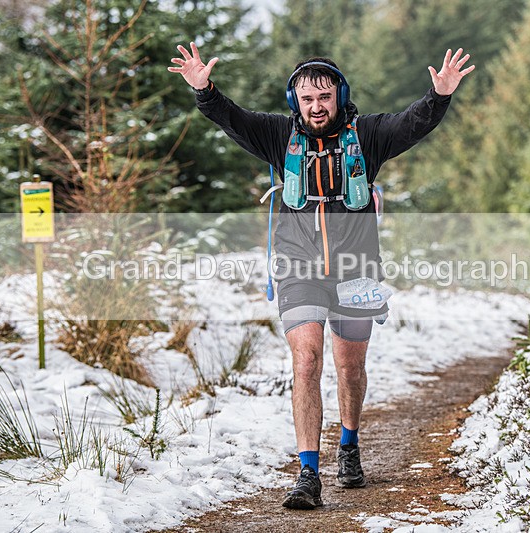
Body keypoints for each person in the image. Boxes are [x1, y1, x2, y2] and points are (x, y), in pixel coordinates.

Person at [168, 42, 474, 510]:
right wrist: (204, 91)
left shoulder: (366, 136)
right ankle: (308, 472)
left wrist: (439, 98)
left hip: (356, 273)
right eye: (307, 98)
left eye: (324, 97)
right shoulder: (277, 136)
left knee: (349, 367)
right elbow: (231, 117)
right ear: (295, 101)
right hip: (298, 270)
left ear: (339, 96)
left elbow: (411, 124)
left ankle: (348, 446)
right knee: (307, 361)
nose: (316, 106)